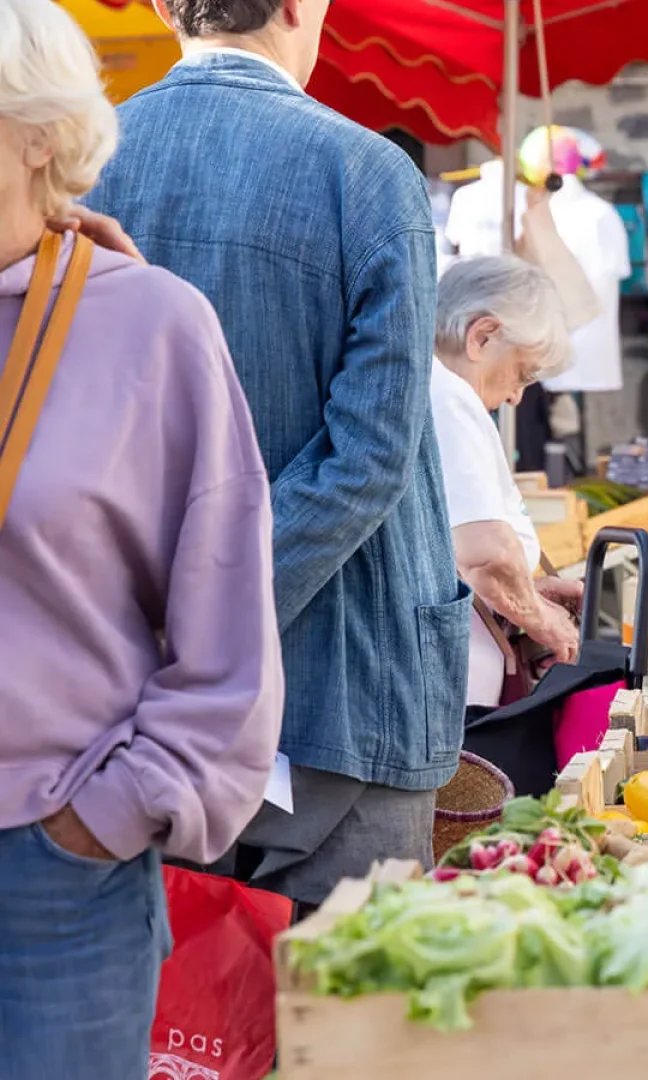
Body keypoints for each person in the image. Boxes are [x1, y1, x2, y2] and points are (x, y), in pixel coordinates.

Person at [86, 0, 468, 910]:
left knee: (181, 1029)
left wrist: (176, 625)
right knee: (353, 1022)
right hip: (348, 692)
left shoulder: (84, 167)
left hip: (133, 695)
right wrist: (219, 612)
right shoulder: (369, 170)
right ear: (298, 6)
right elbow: (369, 457)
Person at [0, 2, 283, 1075]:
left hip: (48, 866)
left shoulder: (149, 323)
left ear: (39, 135)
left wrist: (109, 814)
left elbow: (226, 625)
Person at [431, 256, 585, 708]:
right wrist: (540, 619)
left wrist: (522, 593)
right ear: (482, 336)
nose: (518, 395)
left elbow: (454, 551)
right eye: (522, 373)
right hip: (454, 688)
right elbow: (483, 551)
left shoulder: (440, 392)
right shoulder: (448, 397)